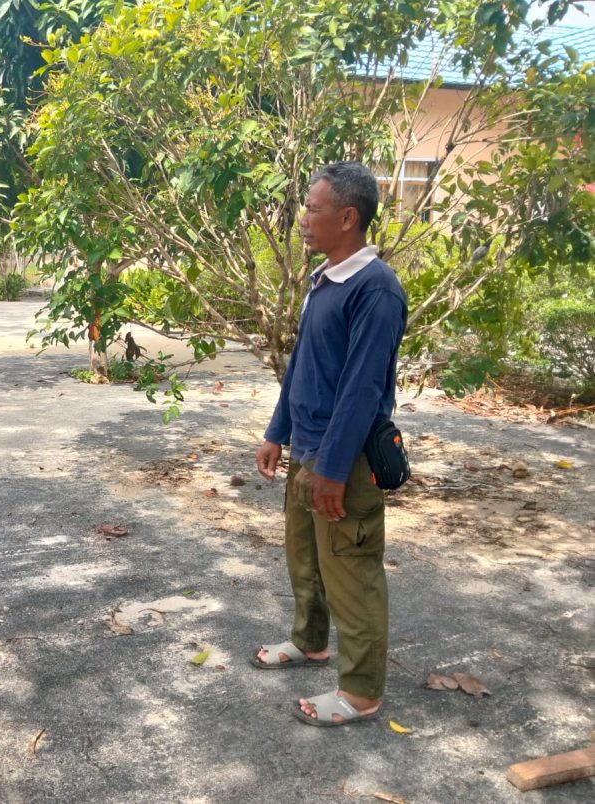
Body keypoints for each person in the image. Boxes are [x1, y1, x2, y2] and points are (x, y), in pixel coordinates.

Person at [250, 162, 407, 726]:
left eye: (312, 209)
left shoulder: (376, 290)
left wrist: (334, 471)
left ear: (347, 217)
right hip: (308, 449)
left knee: (352, 571)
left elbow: (362, 389)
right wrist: (277, 433)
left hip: (347, 458)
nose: (302, 220)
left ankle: (362, 692)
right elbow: (301, 369)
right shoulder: (325, 281)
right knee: (307, 559)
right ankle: (310, 641)